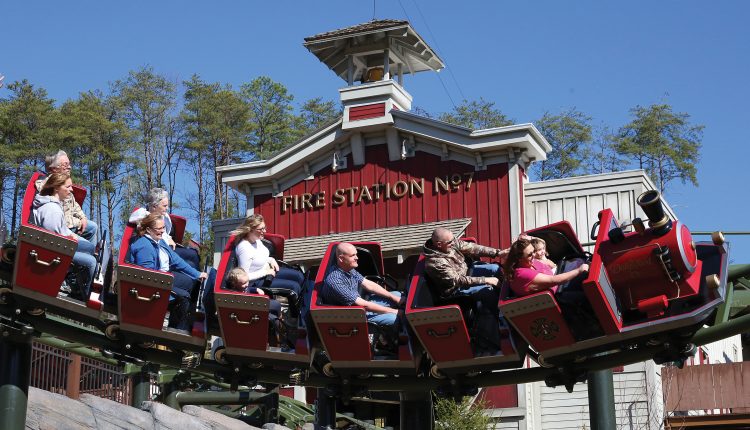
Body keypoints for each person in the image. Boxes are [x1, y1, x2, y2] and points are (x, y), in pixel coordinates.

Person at [423, 227, 508, 354]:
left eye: (453, 240)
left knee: (495, 268)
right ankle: (501, 318)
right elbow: (457, 281)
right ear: (439, 244)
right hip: (455, 290)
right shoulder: (434, 263)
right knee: (487, 290)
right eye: (450, 242)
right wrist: (486, 280)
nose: (454, 243)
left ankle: (506, 299)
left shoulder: (450, 242)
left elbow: (471, 247)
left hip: (468, 271)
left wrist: (497, 253)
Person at [127, 213, 208, 331]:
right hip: (156, 285)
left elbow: (176, 260)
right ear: (148, 230)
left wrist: (197, 274)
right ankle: (178, 330)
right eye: (159, 229)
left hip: (165, 278)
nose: (162, 231)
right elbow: (147, 277)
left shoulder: (159, 242)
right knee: (184, 297)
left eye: (163, 228)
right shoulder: (145, 247)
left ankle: (187, 325)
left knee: (194, 282)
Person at [321, 242, 402, 349]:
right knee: (394, 318)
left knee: (396, 294)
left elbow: (368, 284)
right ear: (341, 258)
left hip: (360, 305)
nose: (357, 258)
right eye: (352, 256)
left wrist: (393, 297)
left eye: (356, 254)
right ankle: (388, 344)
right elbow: (363, 305)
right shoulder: (335, 281)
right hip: (352, 315)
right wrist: (395, 311)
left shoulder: (349, 269)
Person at [32, 172, 97, 300]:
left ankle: (78, 285)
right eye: (68, 187)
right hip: (55, 252)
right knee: (92, 262)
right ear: (56, 188)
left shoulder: (55, 205)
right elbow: (55, 243)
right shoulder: (52, 210)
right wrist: (71, 239)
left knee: (90, 248)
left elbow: (60, 232)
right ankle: (83, 296)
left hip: (63, 244)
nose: (71, 190)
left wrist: (70, 235)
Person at [230, 214, 304, 300]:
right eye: (261, 229)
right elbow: (244, 277)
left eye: (265, 228)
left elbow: (260, 256)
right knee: (294, 287)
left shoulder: (257, 240)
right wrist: (265, 272)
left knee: (299, 276)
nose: (264, 231)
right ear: (250, 230)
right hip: (255, 282)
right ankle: (296, 312)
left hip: (268, 272)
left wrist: (271, 260)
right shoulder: (244, 248)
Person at [129, 188, 200, 270]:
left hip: (167, 247)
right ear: (154, 206)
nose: (167, 208)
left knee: (193, 257)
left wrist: (169, 238)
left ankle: (197, 278)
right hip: (158, 250)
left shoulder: (164, 217)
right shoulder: (144, 217)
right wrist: (167, 238)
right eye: (164, 206)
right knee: (192, 255)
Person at [36, 150, 98, 242]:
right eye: (65, 165)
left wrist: (83, 218)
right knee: (87, 245)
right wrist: (56, 180)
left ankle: (87, 253)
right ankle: (85, 253)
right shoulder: (49, 185)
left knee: (93, 227)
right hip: (62, 228)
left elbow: (75, 205)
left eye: (69, 164)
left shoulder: (66, 186)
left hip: (72, 224)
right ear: (54, 169)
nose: (69, 167)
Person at [503, 238, 588, 297]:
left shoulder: (529, 261)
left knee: (582, 260)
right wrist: (578, 270)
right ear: (519, 258)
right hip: (558, 293)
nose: (533, 255)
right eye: (529, 254)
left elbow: (542, 242)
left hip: (559, 277)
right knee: (587, 290)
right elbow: (553, 280)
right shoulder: (522, 274)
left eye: (533, 251)